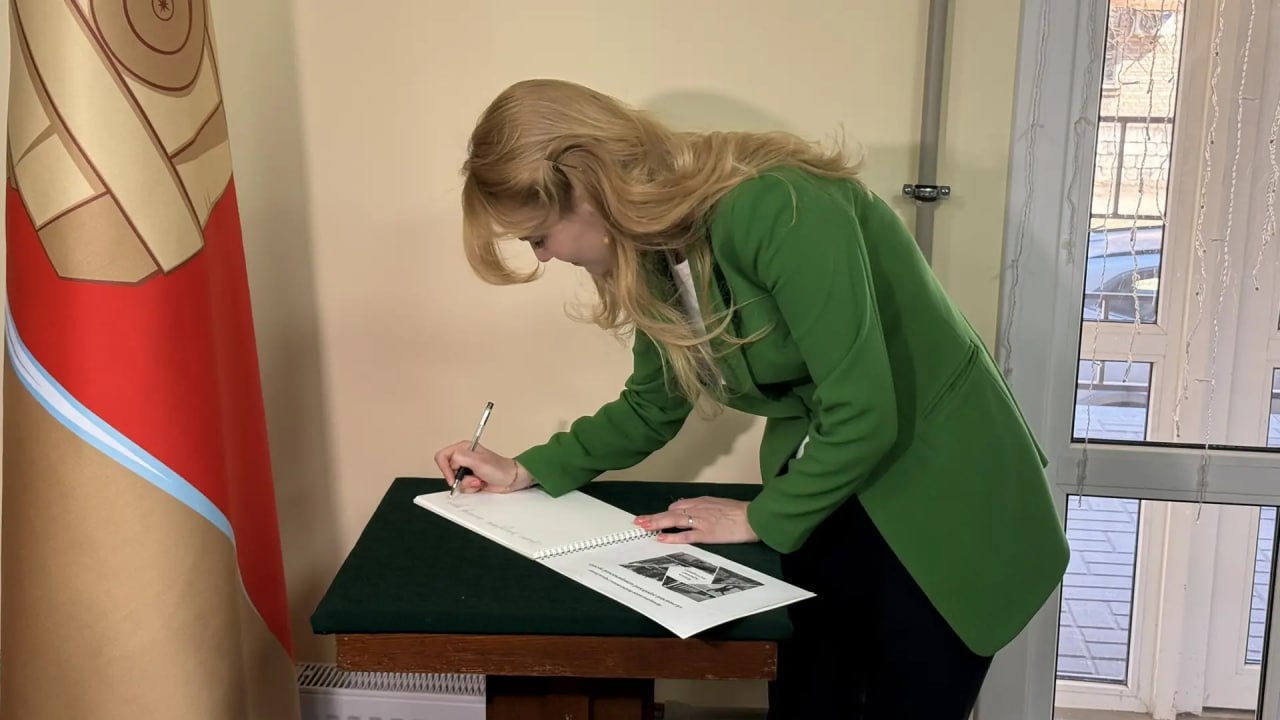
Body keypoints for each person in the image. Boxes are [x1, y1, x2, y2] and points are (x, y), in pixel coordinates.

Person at [433, 78, 1069, 719]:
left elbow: (863, 412)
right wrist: (527, 469)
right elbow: (655, 403)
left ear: (587, 188)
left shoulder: (780, 206)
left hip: (944, 486)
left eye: (538, 236)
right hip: (831, 482)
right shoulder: (652, 247)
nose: (543, 256)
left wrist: (759, 519)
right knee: (808, 699)